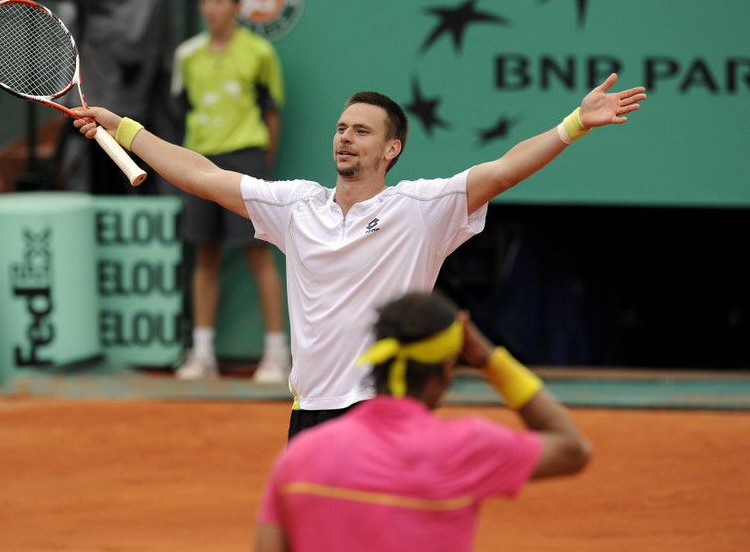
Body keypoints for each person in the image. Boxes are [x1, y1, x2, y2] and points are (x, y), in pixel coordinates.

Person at [70, 73, 646, 437]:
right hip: (310, 409)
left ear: (391, 148)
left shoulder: (422, 207)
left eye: (362, 131)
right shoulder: (296, 207)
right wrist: (122, 127)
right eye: (342, 128)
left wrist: (573, 124)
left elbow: (501, 170)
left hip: (384, 406)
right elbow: (204, 175)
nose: (346, 136)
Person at [245, 289, 592, 552]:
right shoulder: (467, 446)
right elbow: (573, 449)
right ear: (445, 371)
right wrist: (489, 360)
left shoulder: (300, 457)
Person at [170, 0, 289, 384]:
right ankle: (202, 355)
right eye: (205, 1)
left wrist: (262, 166)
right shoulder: (187, 56)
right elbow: (181, 111)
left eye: (219, 1)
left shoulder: (258, 54)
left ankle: (277, 353)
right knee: (205, 256)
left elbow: (271, 113)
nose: (210, 9)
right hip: (199, 162)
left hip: (247, 160)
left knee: (259, 254)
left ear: (237, 6)